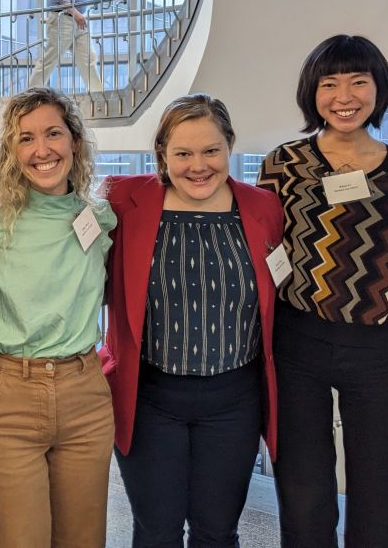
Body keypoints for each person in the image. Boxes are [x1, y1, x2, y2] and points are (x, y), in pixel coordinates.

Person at [258, 34, 388, 548]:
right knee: (303, 482)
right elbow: (264, 243)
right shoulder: (283, 164)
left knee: (384, 481)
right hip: (297, 339)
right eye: (329, 82)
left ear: (378, 89)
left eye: (358, 81)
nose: (344, 95)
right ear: (312, 92)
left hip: (376, 344)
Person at [101, 94, 284, 547]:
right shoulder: (125, 200)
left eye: (211, 151)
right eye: (182, 153)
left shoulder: (264, 209)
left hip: (234, 402)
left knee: (217, 532)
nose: (197, 165)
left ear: (230, 147)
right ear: (162, 154)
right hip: (150, 399)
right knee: (155, 531)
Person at [0, 86, 116, 547]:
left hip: (86, 396)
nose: (42, 150)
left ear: (75, 142)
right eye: (26, 138)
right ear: (11, 151)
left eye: (53, 134)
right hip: (10, 398)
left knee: (84, 539)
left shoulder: (98, 219)